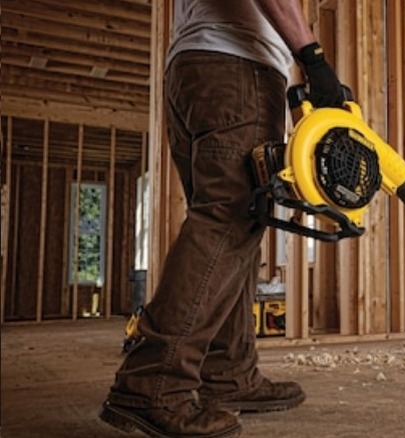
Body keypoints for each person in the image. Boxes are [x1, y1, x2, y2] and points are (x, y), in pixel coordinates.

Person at [99, 1, 344, 437]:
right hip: (236, 66)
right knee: (228, 220)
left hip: (200, 69)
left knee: (237, 225)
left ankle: (227, 374)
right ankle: (152, 382)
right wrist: (311, 56)